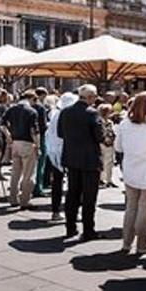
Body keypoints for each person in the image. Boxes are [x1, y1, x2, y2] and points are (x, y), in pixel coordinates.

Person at [114, 91, 146, 254]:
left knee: (131, 207)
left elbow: (118, 147)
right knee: (145, 208)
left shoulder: (124, 124)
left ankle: (126, 243)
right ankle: (142, 246)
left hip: (130, 168)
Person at [57, 84, 105, 239]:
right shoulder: (92, 114)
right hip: (90, 159)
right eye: (95, 96)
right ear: (90, 97)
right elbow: (100, 136)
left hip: (71, 157)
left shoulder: (65, 112)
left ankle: (70, 227)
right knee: (89, 197)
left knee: (72, 194)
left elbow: (60, 133)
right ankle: (88, 229)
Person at [3, 90, 40, 209]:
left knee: (15, 172)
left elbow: (1, 123)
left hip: (15, 142)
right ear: (31, 98)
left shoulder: (11, 109)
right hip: (27, 143)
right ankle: (25, 200)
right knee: (28, 174)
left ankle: (13, 198)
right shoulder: (32, 111)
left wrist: (8, 136)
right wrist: (37, 145)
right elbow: (34, 130)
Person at [45, 92, 76, 223]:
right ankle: (72, 211)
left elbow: (50, 134)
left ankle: (56, 211)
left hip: (54, 152)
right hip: (69, 152)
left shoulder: (56, 114)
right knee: (73, 183)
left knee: (57, 183)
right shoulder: (69, 115)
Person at [98, 103, 117, 187]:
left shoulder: (110, 122)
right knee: (102, 161)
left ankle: (109, 179)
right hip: (102, 144)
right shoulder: (99, 121)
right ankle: (101, 179)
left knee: (110, 162)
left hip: (110, 144)